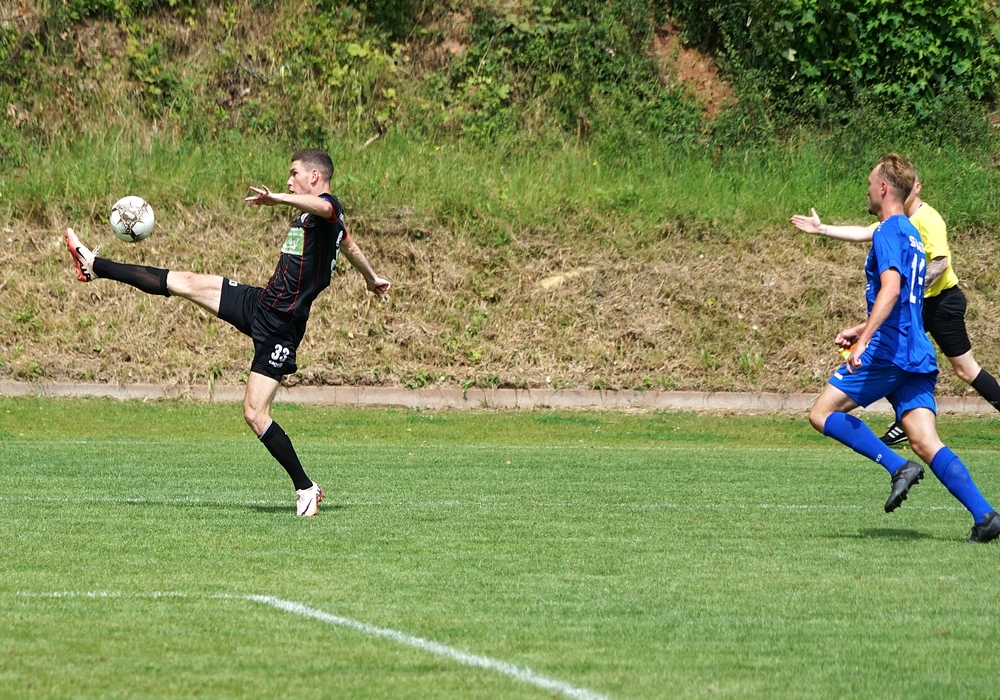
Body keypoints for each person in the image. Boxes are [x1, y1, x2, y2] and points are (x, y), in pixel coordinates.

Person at [65, 148, 390, 517]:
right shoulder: (318, 218)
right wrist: (371, 277)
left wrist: (278, 199)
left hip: (281, 327)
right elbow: (349, 244)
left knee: (255, 414)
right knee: (185, 282)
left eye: (294, 173)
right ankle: (94, 265)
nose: (289, 180)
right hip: (260, 302)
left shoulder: (328, 207)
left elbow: (326, 209)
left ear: (314, 177)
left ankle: (305, 488)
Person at [803, 153, 999, 543]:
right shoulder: (910, 231)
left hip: (890, 351)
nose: (866, 190)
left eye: (869, 183)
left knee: (821, 414)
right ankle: (986, 516)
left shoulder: (888, 231)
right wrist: (862, 326)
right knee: (925, 441)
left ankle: (897, 466)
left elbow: (892, 289)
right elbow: (908, 297)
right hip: (917, 350)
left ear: (883, 187)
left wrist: (864, 339)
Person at [792, 176, 1000, 447]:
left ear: (915, 188)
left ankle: (908, 420)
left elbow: (941, 262)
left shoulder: (928, 218)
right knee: (895, 353)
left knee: (965, 369)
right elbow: (863, 233)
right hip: (916, 304)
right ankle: (907, 420)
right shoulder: (896, 222)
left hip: (941, 303)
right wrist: (822, 229)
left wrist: (909, 289)